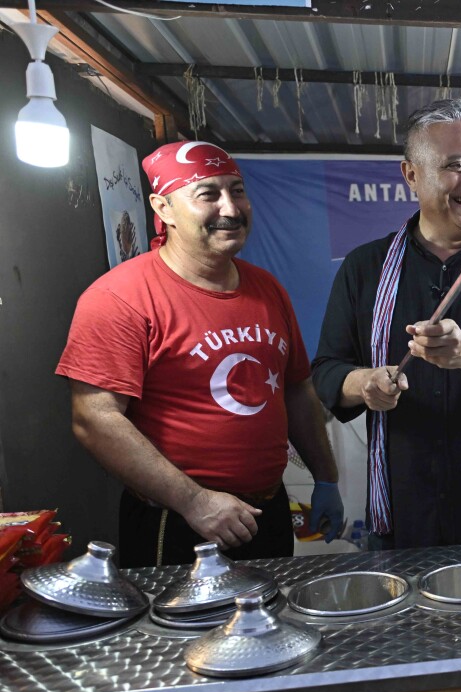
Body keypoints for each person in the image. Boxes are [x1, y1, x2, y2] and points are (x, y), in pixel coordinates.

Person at [57, 141, 343, 567]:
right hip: (177, 519)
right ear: (164, 208)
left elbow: (296, 389)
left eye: (237, 191)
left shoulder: (268, 289)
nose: (230, 208)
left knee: (266, 611)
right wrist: (194, 501)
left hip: (266, 510)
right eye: (208, 194)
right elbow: (94, 419)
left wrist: (326, 478)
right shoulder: (119, 297)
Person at [311, 99, 461, 549]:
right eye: (457, 165)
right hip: (403, 519)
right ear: (411, 174)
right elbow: (327, 372)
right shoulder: (365, 267)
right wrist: (365, 384)